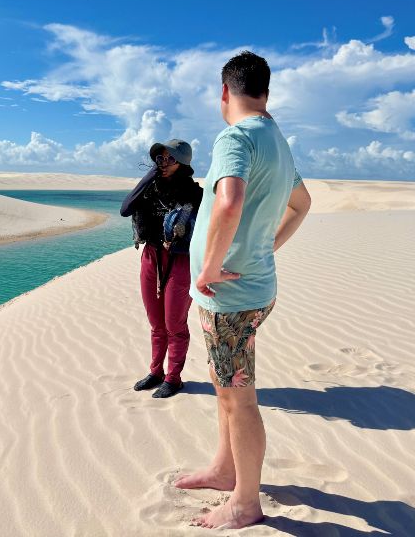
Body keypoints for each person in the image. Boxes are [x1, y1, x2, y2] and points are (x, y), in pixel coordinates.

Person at [175, 51, 311, 529]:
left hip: (229, 297)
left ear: (225, 93)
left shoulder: (236, 137)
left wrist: (209, 268)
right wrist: (265, 247)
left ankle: (246, 502)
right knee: (225, 388)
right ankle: (224, 467)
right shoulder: (277, 141)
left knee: (239, 397)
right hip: (252, 288)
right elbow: (302, 203)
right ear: (265, 92)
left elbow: (228, 203)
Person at [120, 139, 203, 398]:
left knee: (174, 324)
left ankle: (173, 377)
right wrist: (149, 175)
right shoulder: (149, 189)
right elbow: (125, 209)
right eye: (160, 158)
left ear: (183, 163)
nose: (164, 163)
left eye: (170, 158)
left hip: (180, 260)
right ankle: (156, 372)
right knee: (156, 323)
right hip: (151, 257)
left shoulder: (195, 194)